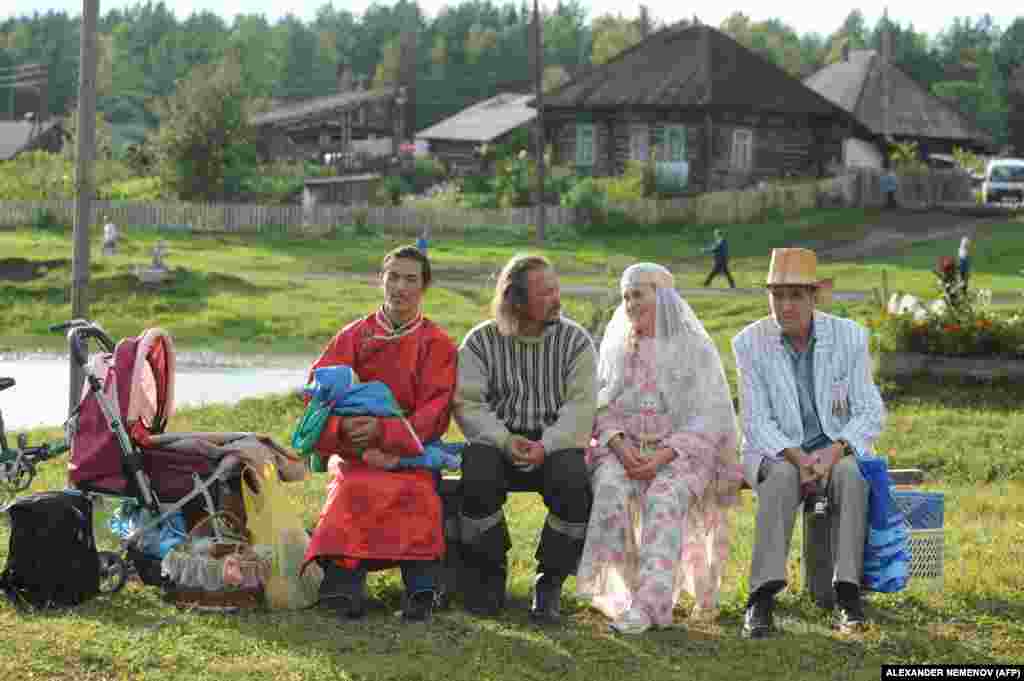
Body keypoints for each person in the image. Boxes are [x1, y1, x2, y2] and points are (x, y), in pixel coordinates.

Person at [576, 263, 743, 634]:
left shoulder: (694, 348)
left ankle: (651, 605)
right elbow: (600, 405)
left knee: (665, 500)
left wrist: (663, 456)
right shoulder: (618, 345)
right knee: (609, 490)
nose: (631, 303)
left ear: (663, 296)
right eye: (626, 296)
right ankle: (624, 596)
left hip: (679, 455)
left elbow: (709, 414)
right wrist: (619, 447)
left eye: (639, 294)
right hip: (625, 450)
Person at [732, 248, 885, 638]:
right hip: (778, 451)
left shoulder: (848, 336)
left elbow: (870, 410)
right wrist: (798, 456)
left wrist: (835, 450)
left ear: (814, 297)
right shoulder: (748, 342)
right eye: (777, 295)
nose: (785, 306)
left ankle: (848, 594)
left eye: (795, 295)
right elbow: (755, 421)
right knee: (781, 476)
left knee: (852, 475)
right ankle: (761, 598)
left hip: (834, 450)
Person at [303, 245, 458, 622]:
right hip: (355, 451)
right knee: (351, 489)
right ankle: (343, 587)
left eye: (411, 279)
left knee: (417, 491)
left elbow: (435, 412)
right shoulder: (353, 335)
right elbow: (318, 396)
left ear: (424, 287)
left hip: (411, 451)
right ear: (380, 280)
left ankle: (422, 589)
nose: (400, 287)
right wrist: (346, 430)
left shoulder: (437, 343)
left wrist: (388, 438)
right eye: (393, 277)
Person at [454, 254, 597, 623]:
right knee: (477, 472)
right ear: (516, 300)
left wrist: (546, 445)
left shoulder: (575, 341)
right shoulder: (481, 341)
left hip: (555, 443)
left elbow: (581, 407)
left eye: (556, 288)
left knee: (574, 483)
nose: (557, 298)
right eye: (545, 292)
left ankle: (549, 581)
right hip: (498, 441)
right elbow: (468, 404)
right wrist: (503, 440)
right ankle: (489, 572)